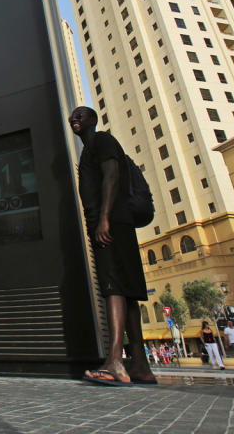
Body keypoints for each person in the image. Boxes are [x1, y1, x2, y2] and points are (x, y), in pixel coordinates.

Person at [69, 106, 155, 386]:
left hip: (113, 223)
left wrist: (104, 218)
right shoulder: (87, 151)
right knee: (127, 293)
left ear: (93, 120)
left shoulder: (103, 141)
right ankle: (140, 366)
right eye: (73, 116)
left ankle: (115, 361)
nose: (75, 118)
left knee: (114, 287)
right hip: (114, 223)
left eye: (81, 115)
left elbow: (112, 176)